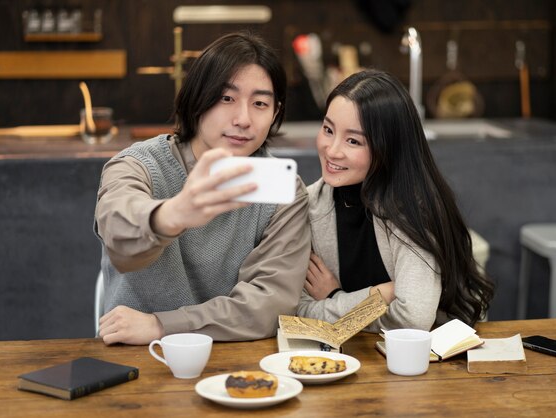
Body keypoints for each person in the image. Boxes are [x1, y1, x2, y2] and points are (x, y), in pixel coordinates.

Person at [95, 32, 311, 345]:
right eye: (226, 98)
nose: (243, 119)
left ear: (275, 113)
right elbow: (120, 242)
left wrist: (161, 326)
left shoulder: (281, 189)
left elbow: (267, 306)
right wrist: (174, 214)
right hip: (136, 359)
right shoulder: (137, 166)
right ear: (198, 98)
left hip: (235, 362)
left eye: (260, 103)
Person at [297, 69, 494, 332]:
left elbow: (414, 318)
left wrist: (335, 299)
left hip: (428, 363)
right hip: (344, 359)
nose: (332, 150)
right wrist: (381, 295)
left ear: (386, 146)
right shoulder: (308, 204)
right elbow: (296, 311)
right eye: (328, 129)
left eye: (353, 141)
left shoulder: (412, 208)